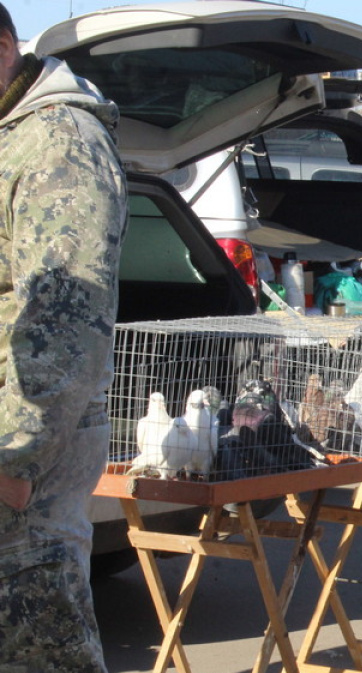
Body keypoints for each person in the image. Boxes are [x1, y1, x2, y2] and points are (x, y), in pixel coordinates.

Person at [0, 4, 129, 669]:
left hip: (25, 462)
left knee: (41, 648)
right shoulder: (14, 135)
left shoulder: (58, 143)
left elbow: (63, 318)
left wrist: (17, 459)